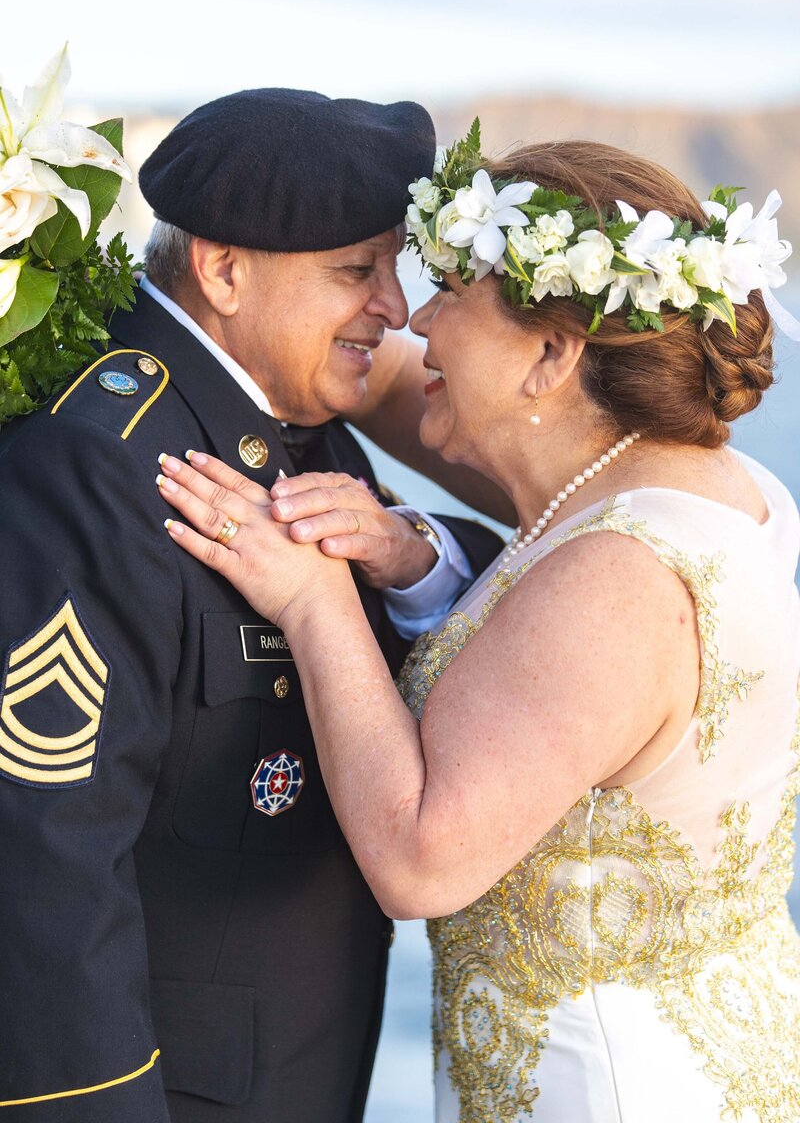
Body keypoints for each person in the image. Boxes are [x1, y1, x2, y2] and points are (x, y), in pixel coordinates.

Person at [155, 136, 800, 1122]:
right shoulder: (701, 483)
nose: (414, 317)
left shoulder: (617, 582)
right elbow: (373, 379)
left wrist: (316, 599)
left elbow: (421, 860)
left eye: (452, 292)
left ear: (550, 355)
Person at [0, 90, 503, 1122]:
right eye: (355, 271)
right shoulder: (100, 466)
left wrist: (412, 553)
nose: (395, 309)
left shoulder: (291, 423)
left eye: (394, 268)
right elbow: (45, 853)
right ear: (224, 271)